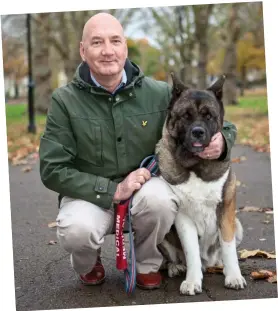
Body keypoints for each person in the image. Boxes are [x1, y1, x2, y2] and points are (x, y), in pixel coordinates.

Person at [39, 13, 237, 289]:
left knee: (162, 199)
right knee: (77, 230)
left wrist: (223, 141)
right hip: (90, 197)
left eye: (115, 41)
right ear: (83, 51)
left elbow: (206, 115)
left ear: (125, 48)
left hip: (143, 196)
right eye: (97, 42)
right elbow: (52, 169)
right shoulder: (64, 101)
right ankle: (87, 261)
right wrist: (112, 191)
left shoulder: (158, 93)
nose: (108, 50)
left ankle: (146, 263)